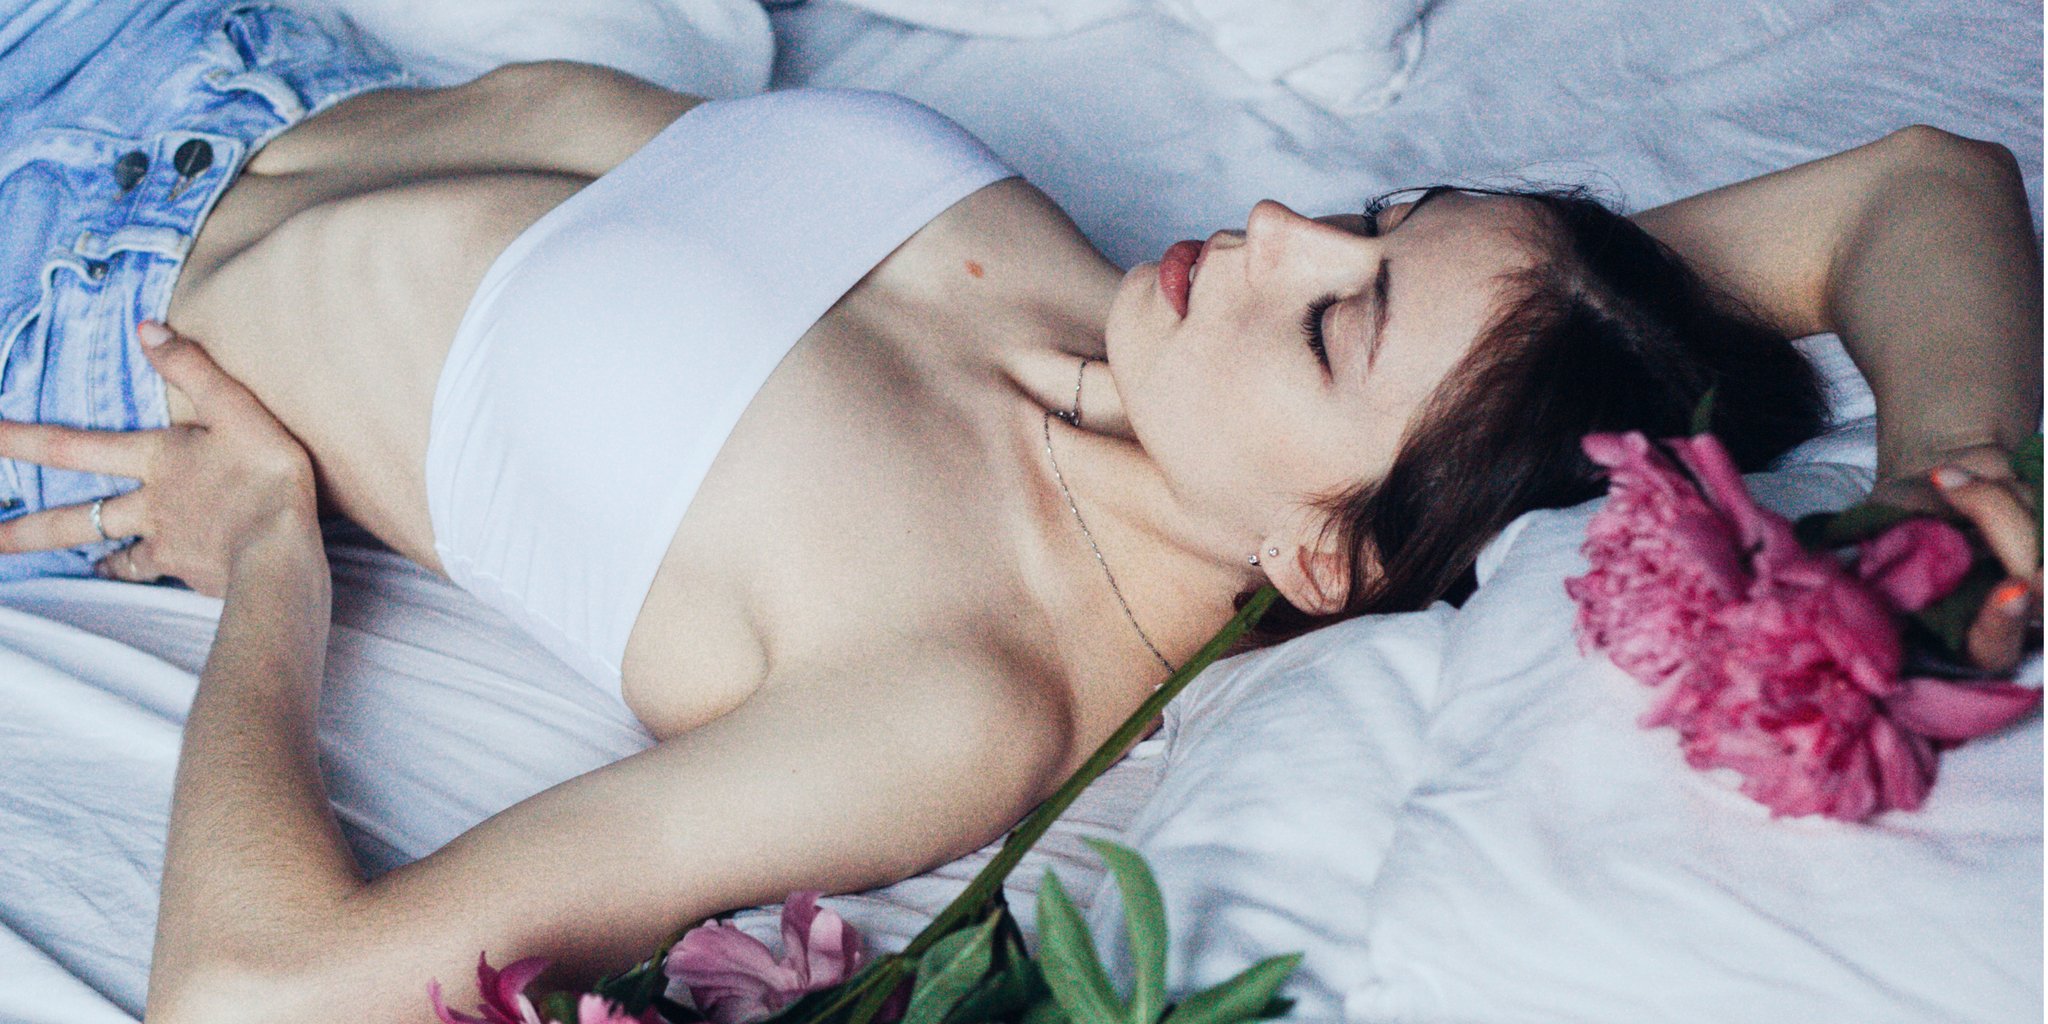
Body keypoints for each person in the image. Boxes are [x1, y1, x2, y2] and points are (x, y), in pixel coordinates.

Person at [0, 1, 2037, 1019]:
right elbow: (1917, 182)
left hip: (70, 318)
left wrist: (268, 551)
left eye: (1334, 316)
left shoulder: (951, 696)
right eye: (1368, 215)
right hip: (220, 46)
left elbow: (264, 996)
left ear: (1321, 558)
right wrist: (1949, 487)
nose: (1272, 230)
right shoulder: (1258, 365)